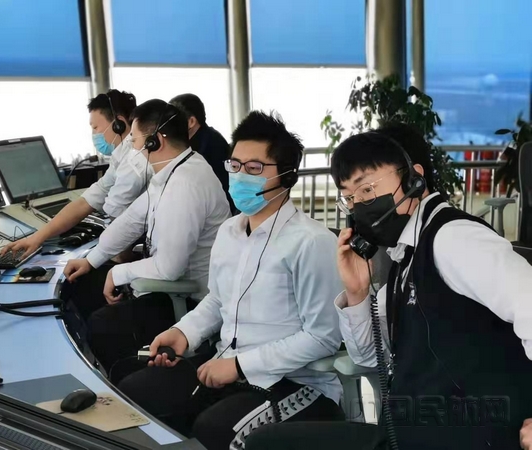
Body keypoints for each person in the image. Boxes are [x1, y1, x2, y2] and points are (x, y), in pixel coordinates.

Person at [244, 124, 532, 450]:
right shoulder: (405, 255)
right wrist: (357, 293)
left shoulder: (454, 238)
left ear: (413, 178)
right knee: (266, 443)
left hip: (469, 435)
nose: (359, 206)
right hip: (410, 433)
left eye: (367, 190)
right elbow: (368, 357)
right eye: (350, 198)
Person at [117, 111, 346, 450]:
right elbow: (218, 299)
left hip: (295, 382)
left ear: (287, 176)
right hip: (225, 364)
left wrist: (239, 366)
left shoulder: (312, 242)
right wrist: (184, 332)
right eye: (235, 166)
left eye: (254, 168)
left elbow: (323, 337)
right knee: (134, 391)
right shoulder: (229, 231)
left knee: (214, 430)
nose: (240, 176)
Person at [63, 99, 231, 382]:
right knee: (83, 284)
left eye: (136, 140)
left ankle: (128, 388)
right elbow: (132, 219)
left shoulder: (186, 184)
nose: (132, 147)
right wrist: (91, 259)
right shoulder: (172, 171)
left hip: (190, 299)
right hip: (171, 287)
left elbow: (169, 268)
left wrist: (118, 272)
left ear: (156, 142)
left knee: (103, 325)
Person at [1, 89, 150, 259]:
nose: (94, 134)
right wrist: (35, 238)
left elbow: (119, 222)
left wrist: (102, 263)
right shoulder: (121, 157)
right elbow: (86, 202)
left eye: (95, 127)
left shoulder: (134, 160)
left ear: (119, 123)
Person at [170, 93, 235, 212]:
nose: (170, 127)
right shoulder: (203, 138)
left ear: (191, 121)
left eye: (174, 121)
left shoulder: (210, 144)